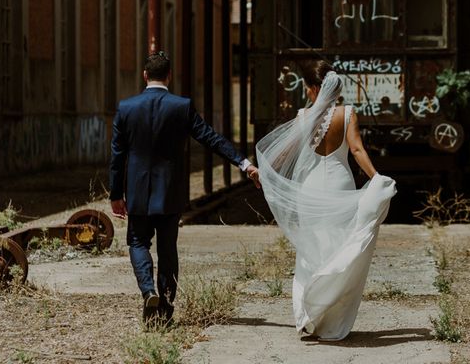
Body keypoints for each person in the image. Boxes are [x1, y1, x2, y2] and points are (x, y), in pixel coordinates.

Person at [109, 51, 260, 326]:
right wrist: (244, 163)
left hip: (139, 193)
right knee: (168, 250)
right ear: (169, 76)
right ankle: (164, 309)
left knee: (137, 242)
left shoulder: (126, 108)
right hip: (170, 193)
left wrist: (116, 195)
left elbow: (117, 157)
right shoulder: (181, 106)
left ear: (145, 76)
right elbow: (211, 139)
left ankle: (148, 290)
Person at [256, 60, 396, 341]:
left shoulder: (302, 117)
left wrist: (264, 173)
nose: (307, 93)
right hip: (339, 184)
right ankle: (331, 319)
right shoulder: (347, 114)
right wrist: (377, 177)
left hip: (311, 189)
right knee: (338, 247)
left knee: (312, 248)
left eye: (308, 88)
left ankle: (309, 315)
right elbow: (356, 150)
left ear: (315, 88)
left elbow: (288, 152)